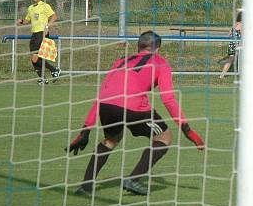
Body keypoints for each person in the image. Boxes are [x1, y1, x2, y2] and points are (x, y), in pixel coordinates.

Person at [66, 30, 205, 196]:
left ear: (138, 46)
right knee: (164, 137)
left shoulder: (120, 61)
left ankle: (85, 187)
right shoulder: (161, 63)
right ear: (157, 48)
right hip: (134, 107)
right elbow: (168, 99)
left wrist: (85, 130)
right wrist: (186, 128)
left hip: (107, 105)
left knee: (111, 140)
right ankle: (134, 179)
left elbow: (102, 93)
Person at [16, 0, 60, 84]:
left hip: (42, 33)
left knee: (35, 57)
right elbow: (27, 20)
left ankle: (54, 69)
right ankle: (43, 78)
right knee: (34, 58)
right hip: (34, 34)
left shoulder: (45, 6)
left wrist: (47, 26)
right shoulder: (30, 8)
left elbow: (54, 16)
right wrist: (21, 21)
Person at [220, 11, 243, 77]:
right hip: (237, 44)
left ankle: (222, 75)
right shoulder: (242, 25)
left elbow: (229, 34)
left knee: (230, 60)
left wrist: (221, 42)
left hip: (231, 44)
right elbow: (242, 36)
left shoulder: (235, 24)